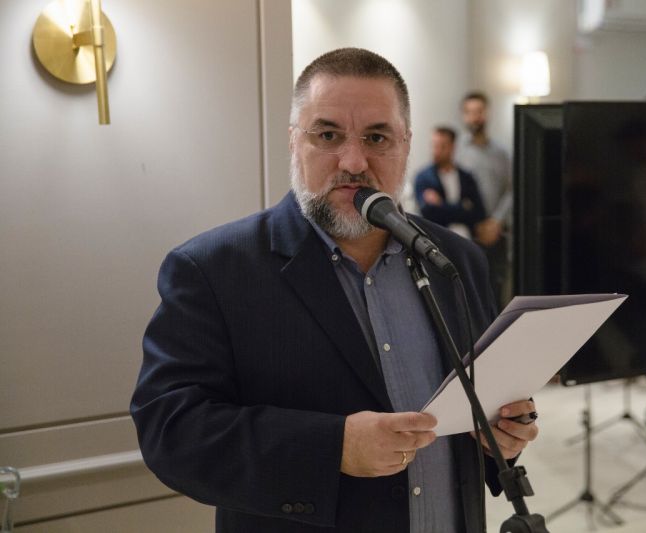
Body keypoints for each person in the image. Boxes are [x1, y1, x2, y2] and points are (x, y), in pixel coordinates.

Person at [130, 48, 539, 533]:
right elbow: (170, 433)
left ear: (406, 144)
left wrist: (501, 434)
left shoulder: (456, 259)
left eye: (377, 137)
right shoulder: (212, 269)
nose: (354, 161)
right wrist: (334, 448)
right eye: (328, 135)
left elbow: (479, 405)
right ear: (293, 141)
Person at [456, 92, 513, 309]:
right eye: (470, 112)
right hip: (467, 232)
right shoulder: (457, 152)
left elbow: (511, 190)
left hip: (497, 233)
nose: (475, 117)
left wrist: (496, 221)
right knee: (469, 295)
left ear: (486, 114)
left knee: (496, 295)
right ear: (464, 116)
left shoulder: (502, 152)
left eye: (479, 111)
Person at [413, 126, 486, 239]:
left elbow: (478, 213)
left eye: (442, 146)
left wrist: (441, 204)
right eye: (434, 146)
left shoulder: (467, 177)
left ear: (452, 147)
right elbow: (428, 213)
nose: (436, 151)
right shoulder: (423, 178)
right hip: (437, 239)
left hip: (466, 240)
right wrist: (463, 207)